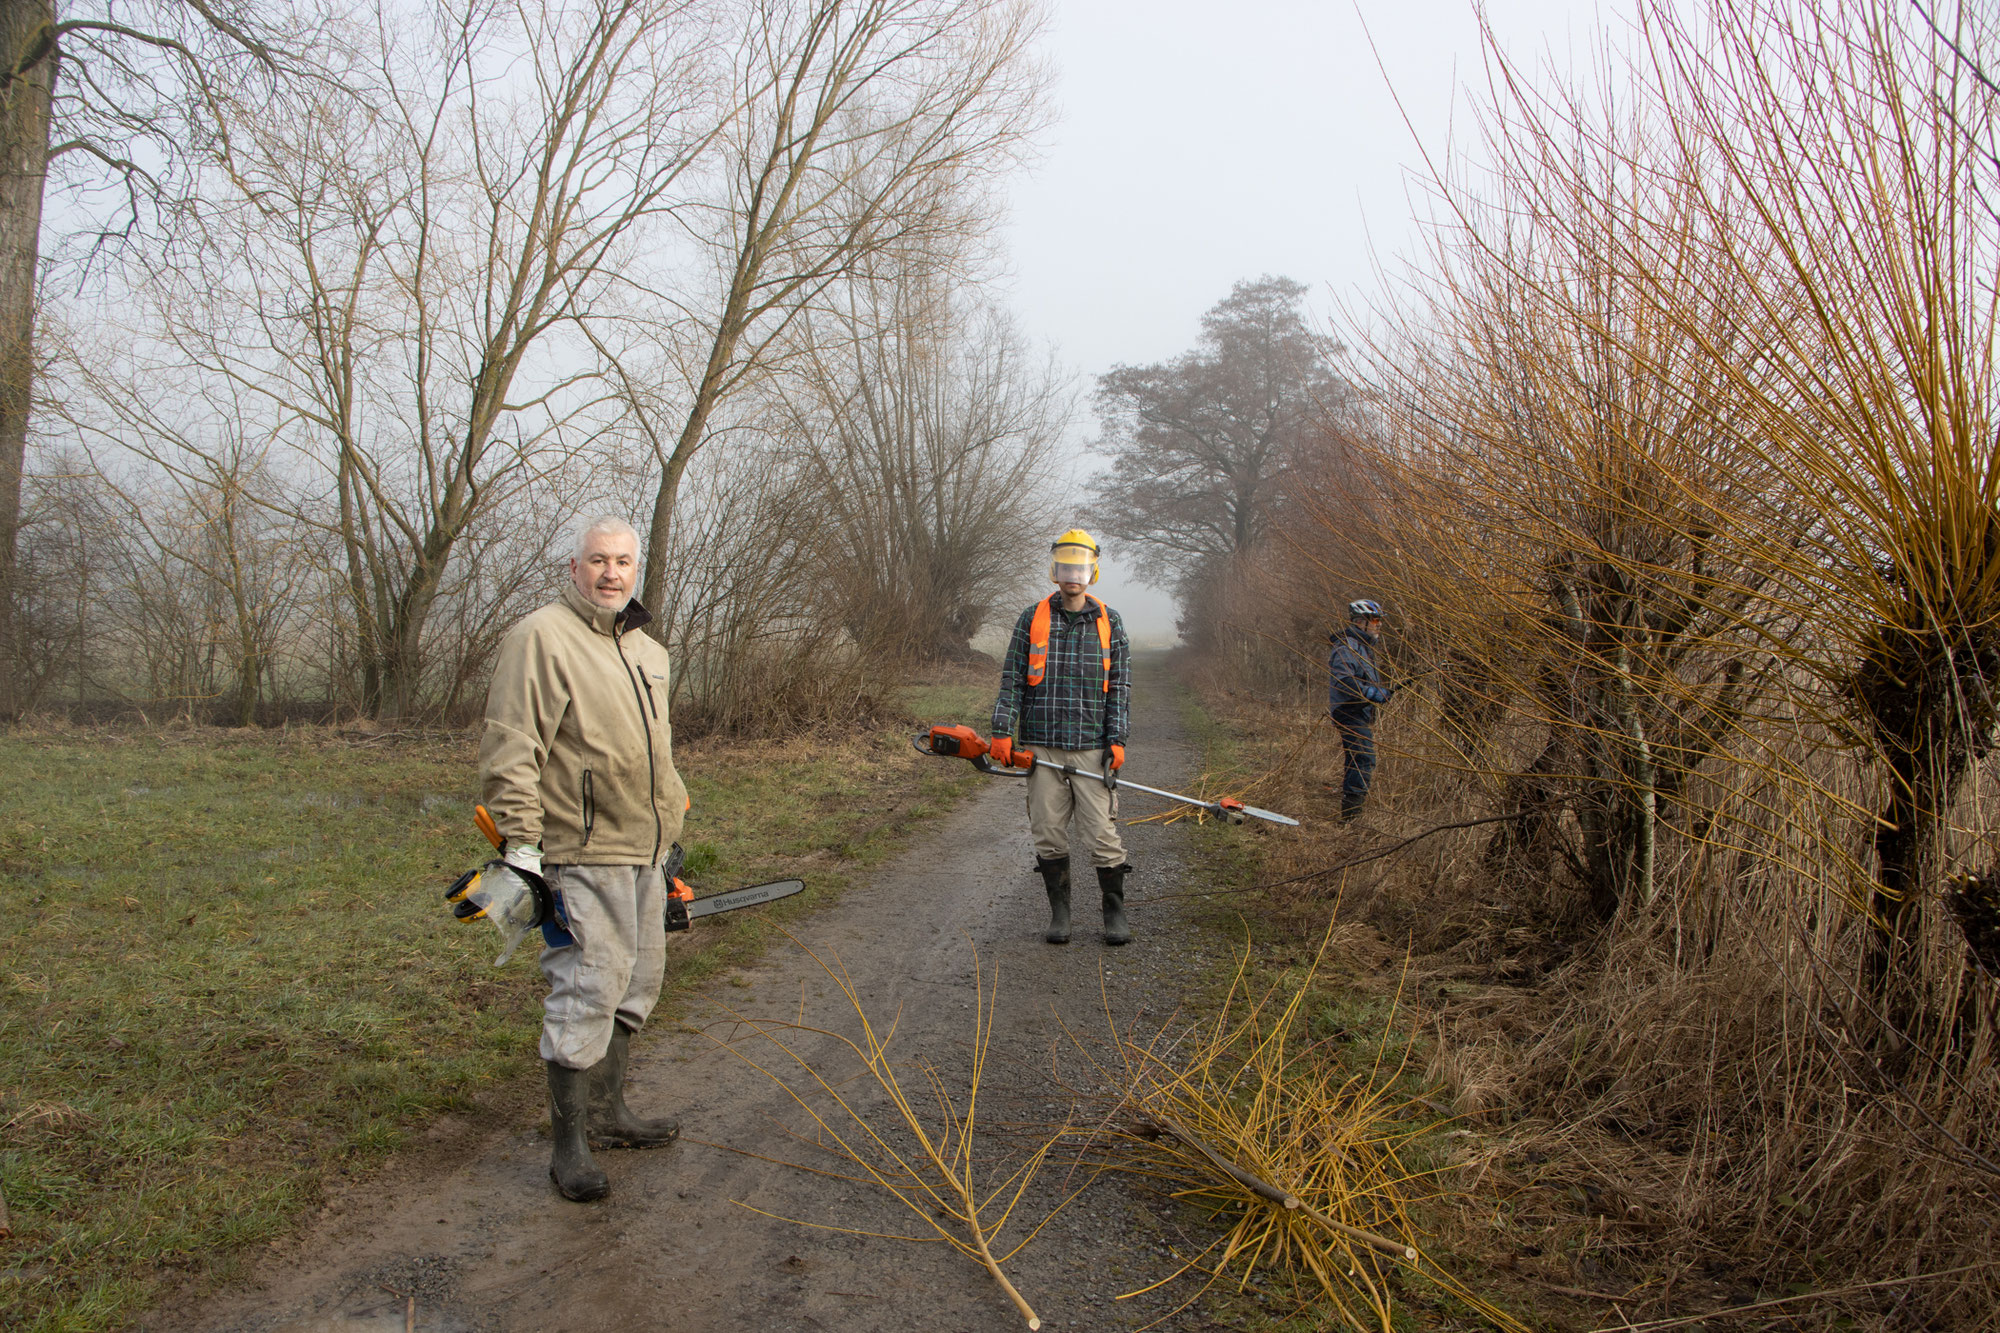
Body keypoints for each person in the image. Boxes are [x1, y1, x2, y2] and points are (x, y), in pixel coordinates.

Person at [478, 517, 690, 1202]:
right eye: (597, 560)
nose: (610, 572)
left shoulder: (648, 651)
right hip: (578, 850)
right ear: (574, 568)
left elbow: (655, 751)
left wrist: (672, 822)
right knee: (587, 986)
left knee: (638, 982)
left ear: (637, 570)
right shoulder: (541, 637)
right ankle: (567, 1148)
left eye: (623, 561)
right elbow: (512, 748)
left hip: (643, 846)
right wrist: (524, 850)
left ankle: (609, 1113)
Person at [990, 529, 1134, 945]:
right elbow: (1011, 680)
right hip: (1041, 743)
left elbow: (1121, 687)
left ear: (1093, 573)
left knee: (1103, 836)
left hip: (1091, 745)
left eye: (1081, 568)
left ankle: (1114, 913)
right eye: (1067, 567)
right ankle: (1061, 915)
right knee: (1048, 831)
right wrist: (1002, 731)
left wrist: (1117, 740)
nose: (1073, 575)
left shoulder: (1111, 622)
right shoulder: (1032, 618)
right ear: (1055, 571)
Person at [1328, 599, 1393, 822]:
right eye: (1375, 620)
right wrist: (1372, 694)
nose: (1379, 625)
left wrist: (1379, 692)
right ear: (1359, 622)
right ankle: (1351, 819)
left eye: (1379, 621)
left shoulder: (1363, 648)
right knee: (1363, 758)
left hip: (1359, 713)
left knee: (1357, 759)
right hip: (1348, 712)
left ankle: (1350, 815)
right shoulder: (1347, 647)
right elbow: (1343, 682)